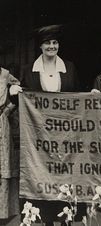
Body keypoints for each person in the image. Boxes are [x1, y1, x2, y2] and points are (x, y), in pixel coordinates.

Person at [11, 24, 83, 226]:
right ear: (41, 47)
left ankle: (66, 220)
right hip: (39, 139)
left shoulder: (69, 67)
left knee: (64, 177)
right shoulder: (29, 70)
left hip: (65, 137)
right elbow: (23, 102)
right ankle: (47, 221)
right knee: (43, 176)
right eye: (47, 43)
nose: (52, 46)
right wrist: (15, 91)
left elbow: (78, 97)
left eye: (55, 42)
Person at [0, 67, 20, 219]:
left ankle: (2, 212)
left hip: (1, 125)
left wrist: (8, 109)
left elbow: (20, 92)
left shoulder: (5, 75)